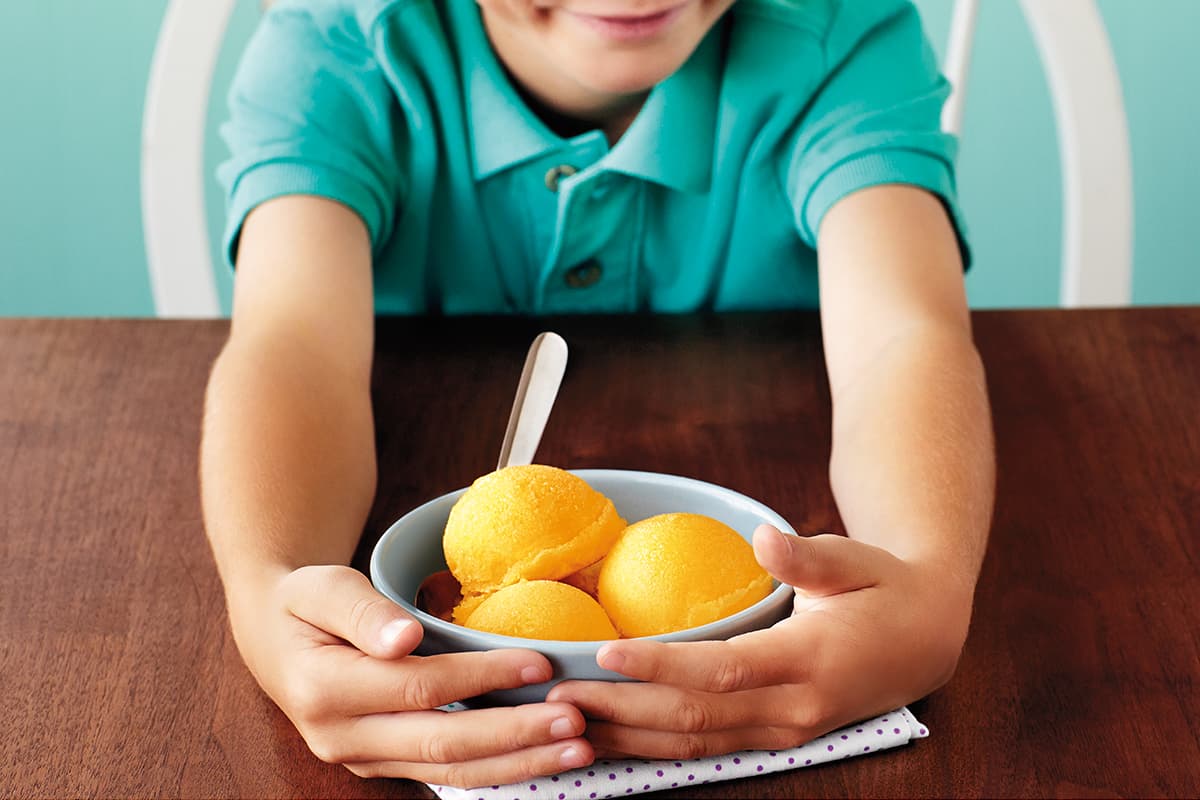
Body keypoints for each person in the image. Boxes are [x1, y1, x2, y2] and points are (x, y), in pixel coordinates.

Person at [202, 0, 994, 789]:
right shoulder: (339, 44)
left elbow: (902, 339)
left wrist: (927, 580)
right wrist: (269, 586)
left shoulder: (841, 32)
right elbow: (293, 345)